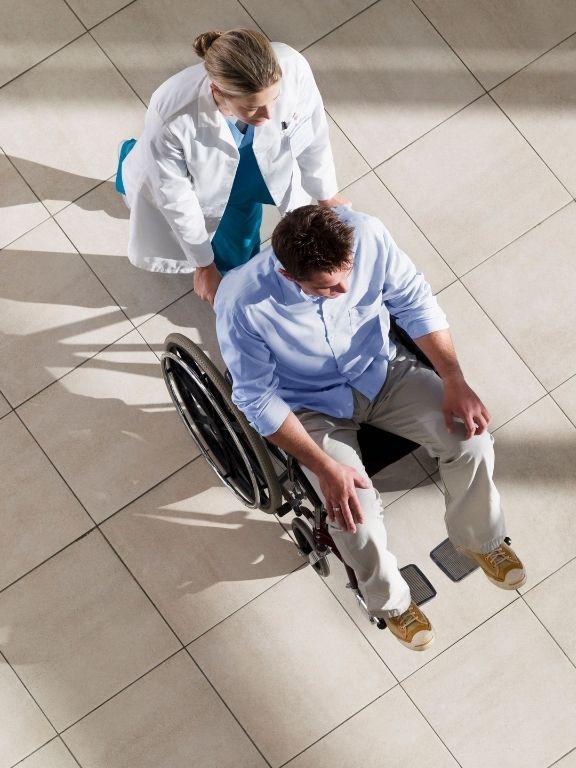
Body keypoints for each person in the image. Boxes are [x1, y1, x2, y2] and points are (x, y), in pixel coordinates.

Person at [214, 204, 526, 652]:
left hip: (383, 372)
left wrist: (454, 380)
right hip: (309, 405)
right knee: (352, 514)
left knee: (472, 439)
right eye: (326, 288)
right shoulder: (241, 301)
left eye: (348, 275)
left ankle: (481, 538)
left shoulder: (368, 234)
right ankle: (390, 602)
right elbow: (256, 398)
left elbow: (413, 302)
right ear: (289, 277)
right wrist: (322, 466)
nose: (344, 291)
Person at [116, 28, 346, 304]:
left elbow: (311, 131)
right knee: (148, 182)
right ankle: (130, 164)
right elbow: (174, 197)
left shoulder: (292, 65)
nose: (269, 114)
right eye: (252, 108)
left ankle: (136, 163)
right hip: (209, 182)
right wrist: (203, 264)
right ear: (217, 91)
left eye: (273, 99)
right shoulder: (173, 114)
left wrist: (326, 192)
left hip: (269, 160)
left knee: (288, 207)